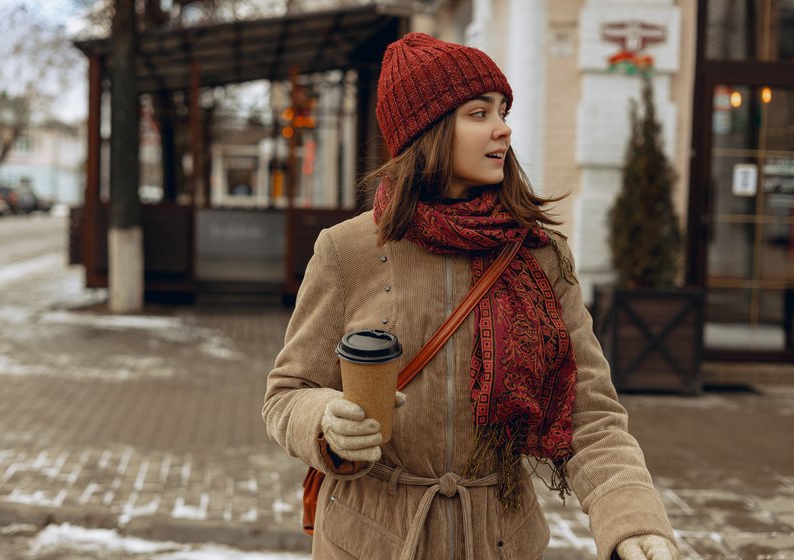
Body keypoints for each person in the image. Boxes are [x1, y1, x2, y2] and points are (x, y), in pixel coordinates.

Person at [263, 32, 680, 560]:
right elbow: (287, 392)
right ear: (429, 131)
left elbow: (589, 414)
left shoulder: (538, 253)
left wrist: (633, 521)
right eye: (479, 113)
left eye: (502, 111)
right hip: (372, 538)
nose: (504, 128)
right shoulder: (348, 250)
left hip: (501, 539)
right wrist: (325, 420)